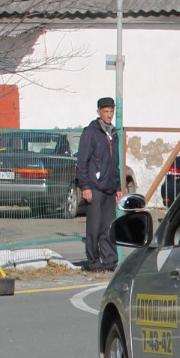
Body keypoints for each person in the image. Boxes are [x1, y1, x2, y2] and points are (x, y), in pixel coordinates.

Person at [77, 97, 120, 272]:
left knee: (109, 227)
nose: (109, 115)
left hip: (110, 187)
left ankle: (110, 262)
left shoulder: (113, 133)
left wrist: (117, 187)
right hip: (95, 188)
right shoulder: (91, 133)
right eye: (106, 112)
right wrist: (85, 186)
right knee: (94, 228)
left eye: (111, 111)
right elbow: (82, 162)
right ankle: (94, 262)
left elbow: (114, 163)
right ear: (99, 113)